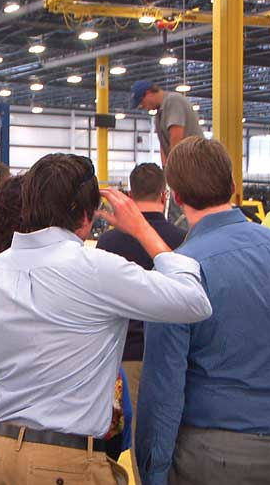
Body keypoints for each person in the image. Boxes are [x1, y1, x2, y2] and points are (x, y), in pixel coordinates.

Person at [0, 153, 214, 485]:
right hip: (65, 464)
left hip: (2, 454)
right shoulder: (97, 269)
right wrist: (142, 229)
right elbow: (194, 302)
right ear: (85, 215)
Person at [136, 138, 270, 485]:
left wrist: (154, 471)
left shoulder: (180, 271)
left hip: (212, 455)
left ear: (176, 197)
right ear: (233, 187)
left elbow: (163, 390)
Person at [96, 163, 186, 485]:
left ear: (130, 195)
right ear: (165, 195)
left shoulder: (108, 243)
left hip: (126, 353)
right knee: (170, 433)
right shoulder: (183, 239)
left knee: (129, 433)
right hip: (175, 354)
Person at [130, 81, 203, 167]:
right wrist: (165, 169)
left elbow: (176, 137)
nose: (143, 107)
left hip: (196, 163)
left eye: (142, 103)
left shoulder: (173, 101)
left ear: (148, 93)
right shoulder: (158, 115)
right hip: (184, 164)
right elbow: (163, 145)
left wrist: (173, 168)